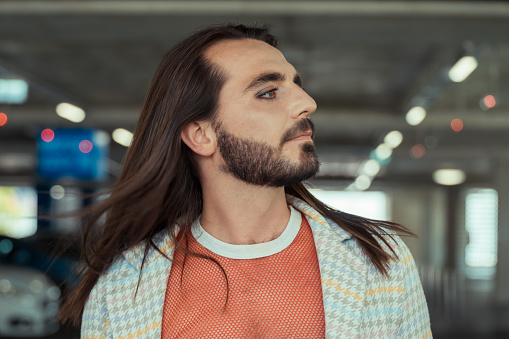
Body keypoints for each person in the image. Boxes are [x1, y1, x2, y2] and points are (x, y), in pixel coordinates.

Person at [59, 24, 432, 338]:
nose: (306, 102)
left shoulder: (380, 260)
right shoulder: (120, 290)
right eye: (268, 92)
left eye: (296, 84)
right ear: (202, 135)